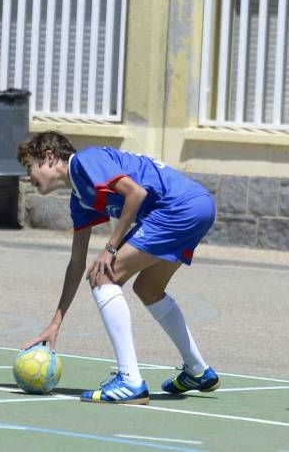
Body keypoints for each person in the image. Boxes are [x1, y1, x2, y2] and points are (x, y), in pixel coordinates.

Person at [17, 130, 219, 405]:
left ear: (49, 157)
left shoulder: (84, 162)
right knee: (149, 289)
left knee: (103, 277)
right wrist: (55, 323)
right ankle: (198, 371)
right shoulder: (81, 199)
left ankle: (129, 381)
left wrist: (110, 248)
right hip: (197, 206)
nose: (28, 177)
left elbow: (136, 193)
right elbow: (76, 263)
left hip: (178, 207)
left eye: (29, 166)